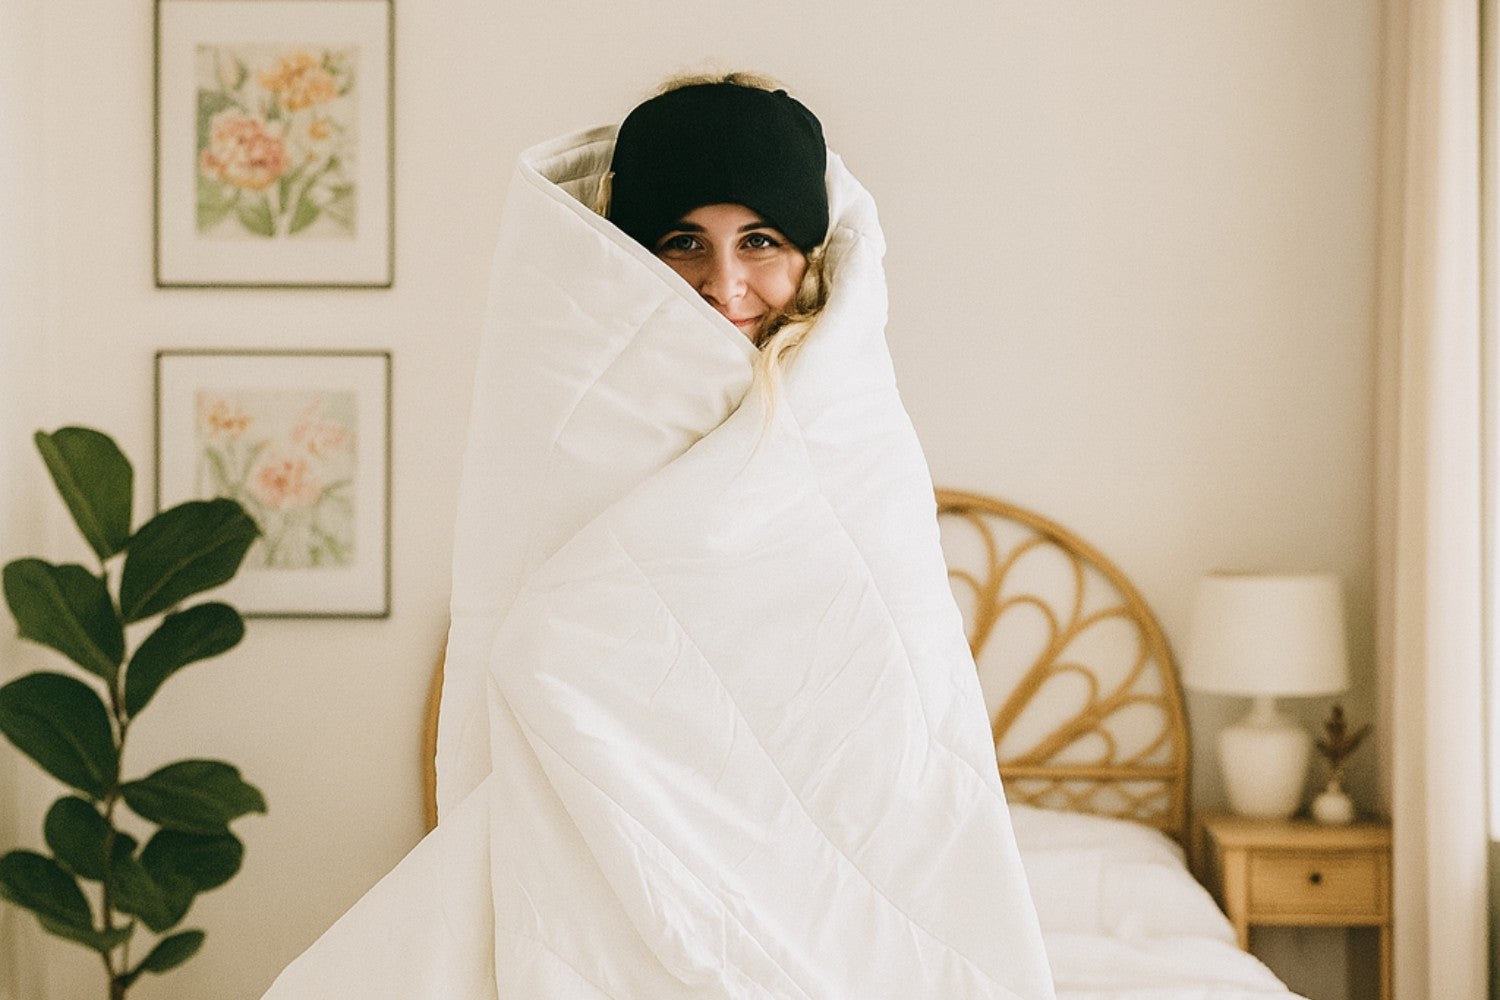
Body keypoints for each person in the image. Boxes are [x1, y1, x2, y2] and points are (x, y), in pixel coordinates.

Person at [264, 72, 1055, 1000]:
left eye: (760, 241)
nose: (726, 285)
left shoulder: (853, 426)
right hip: (602, 807)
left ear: (810, 253)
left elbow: (895, 694)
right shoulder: (570, 405)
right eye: (684, 242)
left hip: (822, 858)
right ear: (632, 254)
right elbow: (515, 592)